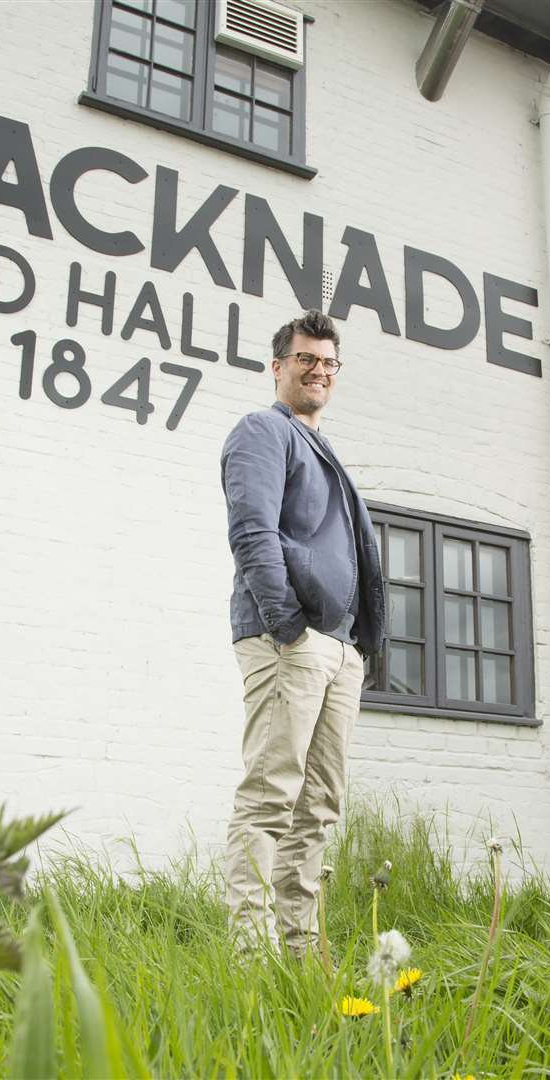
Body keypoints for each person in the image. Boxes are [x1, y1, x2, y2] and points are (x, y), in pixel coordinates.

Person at [220, 309, 386, 958]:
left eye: (327, 363)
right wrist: (286, 624)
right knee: (270, 798)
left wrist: (354, 646)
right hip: (290, 640)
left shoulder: (324, 450)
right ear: (278, 367)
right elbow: (252, 532)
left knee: (317, 808)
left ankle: (297, 954)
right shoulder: (263, 431)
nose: (317, 371)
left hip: (339, 650)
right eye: (304, 360)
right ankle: (250, 962)